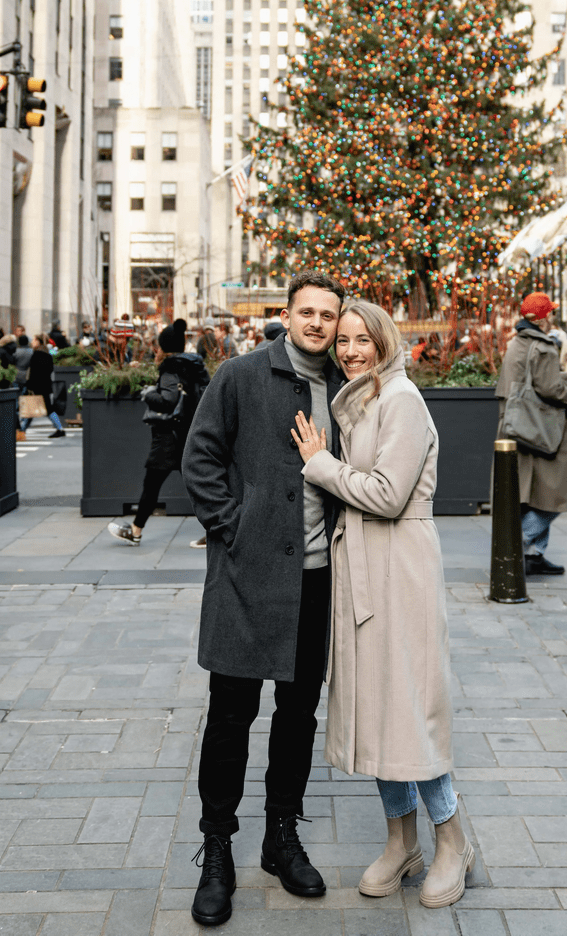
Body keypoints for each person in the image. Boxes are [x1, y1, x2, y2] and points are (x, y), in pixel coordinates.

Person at [293, 300, 474, 910]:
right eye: (341, 341)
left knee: (409, 707)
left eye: (360, 340)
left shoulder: (401, 400)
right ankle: (402, 840)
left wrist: (320, 465)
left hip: (401, 566)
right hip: (364, 569)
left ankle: (452, 840)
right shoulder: (366, 399)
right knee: (376, 707)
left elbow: (389, 494)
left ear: (384, 342)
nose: (348, 351)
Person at [182, 270, 346, 928]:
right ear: (287, 314)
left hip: (317, 577)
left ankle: (282, 833)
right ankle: (217, 847)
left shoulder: (345, 385)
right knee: (230, 713)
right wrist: (233, 528)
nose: (316, 323)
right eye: (306, 312)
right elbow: (200, 456)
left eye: (327, 315)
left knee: (299, 711)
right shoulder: (242, 374)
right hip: (249, 578)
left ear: (338, 321)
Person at [495, 293, 567, 576]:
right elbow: (549, 390)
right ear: (543, 318)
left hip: (518, 426)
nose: (553, 318)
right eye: (550, 313)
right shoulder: (544, 346)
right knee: (558, 490)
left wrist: (562, 376)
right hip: (541, 429)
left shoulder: (518, 343)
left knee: (531, 494)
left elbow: (529, 380)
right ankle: (518, 544)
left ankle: (534, 554)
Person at [108, 320, 209, 546]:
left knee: (152, 486)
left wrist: (148, 394)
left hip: (168, 437)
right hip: (188, 434)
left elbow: (168, 400)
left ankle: (135, 531)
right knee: (200, 486)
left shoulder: (171, 369)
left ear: (164, 347)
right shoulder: (194, 366)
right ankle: (217, 531)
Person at [21, 335, 65, 437]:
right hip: (45, 385)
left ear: (38, 342)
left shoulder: (36, 354)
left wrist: (29, 385)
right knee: (34, 408)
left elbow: (33, 373)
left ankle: (60, 429)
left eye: (34, 340)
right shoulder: (48, 355)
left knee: (37, 408)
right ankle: (22, 430)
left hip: (37, 386)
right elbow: (50, 370)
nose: (32, 342)